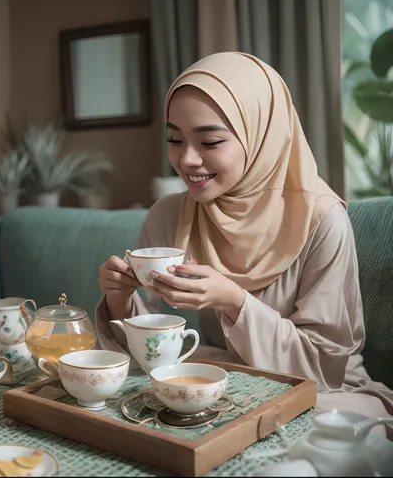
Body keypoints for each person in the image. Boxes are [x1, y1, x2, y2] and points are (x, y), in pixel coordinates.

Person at [96, 52, 393, 433]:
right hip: (223, 383)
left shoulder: (321, 219)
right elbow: (148, 360)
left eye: (211, 141)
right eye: (174, 139)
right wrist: (120, 298)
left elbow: (326, 364)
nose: (186, 159)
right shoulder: (169, 215)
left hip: (319, 392)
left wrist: (233, 301)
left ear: (261, 135)